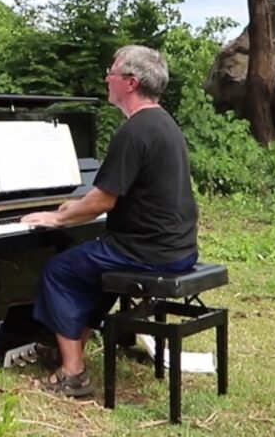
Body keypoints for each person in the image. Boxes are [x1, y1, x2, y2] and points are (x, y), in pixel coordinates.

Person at [20, 44, 199, 398]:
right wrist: (77, 206)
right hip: (177, 247)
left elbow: (103, 199)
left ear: (130, 83)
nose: (107, 77)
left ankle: (72, 374)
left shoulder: (133, 132)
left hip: (147, 251)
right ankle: (66, 348)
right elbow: (118, 193)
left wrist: (57, 218)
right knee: (93, 273)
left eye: (113, 72)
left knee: (59, 271)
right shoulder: (163, 123)